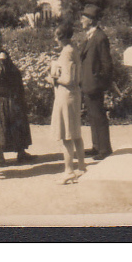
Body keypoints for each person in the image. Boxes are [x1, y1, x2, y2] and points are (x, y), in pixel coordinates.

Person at [0, 30, 33, 167]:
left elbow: (14, 72)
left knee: (17, 123)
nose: (1, 45)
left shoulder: (4, 54)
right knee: (1, 127)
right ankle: (0, 156)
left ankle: (21, 152)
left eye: (1, 42)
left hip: (10, 94)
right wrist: (2, 61)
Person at [79, 4, 120, 159]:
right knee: (92, 115)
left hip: (94, 84)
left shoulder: (100, 37)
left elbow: (107, 63)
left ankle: (104, 149)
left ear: (91, 20)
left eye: (84, 17)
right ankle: (96, 146)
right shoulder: (90, 35)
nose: (81, 19)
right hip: (88, 83)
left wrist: (101, 81)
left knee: (99, 116)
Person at [47, 22, 86, 184]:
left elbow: (68, 79)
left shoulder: (66, 53)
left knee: (66, 135)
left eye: (57, 37)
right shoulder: (73, 50)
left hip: (65, 96)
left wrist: (52, 78)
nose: (55, 40)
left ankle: (69, 170)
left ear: (60, 37)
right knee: (75, 132)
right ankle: (82, 166)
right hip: (74, 95)